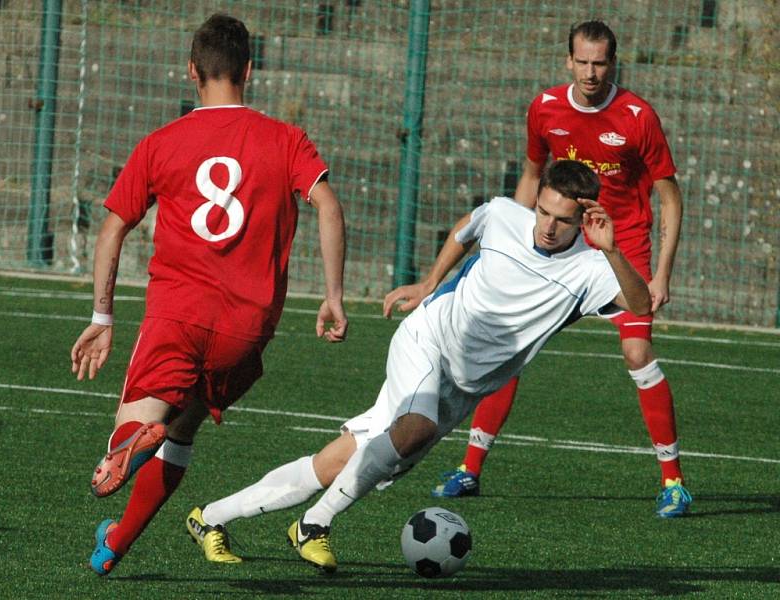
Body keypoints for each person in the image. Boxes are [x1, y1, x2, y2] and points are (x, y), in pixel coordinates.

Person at [186, 159, 652, 572]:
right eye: (544, 212)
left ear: (585, 219)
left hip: (463, 389)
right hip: (427, 338)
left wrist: (610, 249)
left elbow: (641, 304)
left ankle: (210, 517)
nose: (548, 226)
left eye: (564, 220)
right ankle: (312, 526)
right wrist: (431, 281)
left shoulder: (591, 268)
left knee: (341, 461)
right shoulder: (507, 215)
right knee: (417, 427)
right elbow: (469, 226)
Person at [70, 13, 348, 576]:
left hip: (178, 315)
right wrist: (334, 295)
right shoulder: (286, 139)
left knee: (137, 428)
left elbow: (113, 228)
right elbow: (329, 206)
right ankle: (114, 545)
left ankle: (128, 442)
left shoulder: (161, 143)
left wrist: (103, 315)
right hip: (245, 332)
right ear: (249, 69)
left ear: (191, 71)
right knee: (181, 433)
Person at [431, 20, 690, 519]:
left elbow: (670, 196)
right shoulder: (546, 107)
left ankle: (673, 480)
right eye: (583, 62)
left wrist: (661, 272)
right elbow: (531, 175)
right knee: (508, 343)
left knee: (638, 353)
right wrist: (518, 245)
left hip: (621, 247)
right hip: (561, 244)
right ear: (568, 61)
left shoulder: (638, 116)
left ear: (612, 64)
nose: (591, 72)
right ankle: (469, 469)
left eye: (600, 63)